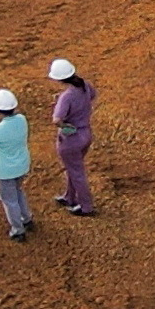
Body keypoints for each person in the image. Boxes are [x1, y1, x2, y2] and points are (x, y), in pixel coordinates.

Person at [0, 88, 33, 240]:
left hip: (4, 170)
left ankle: (18, 229)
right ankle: (27, 218)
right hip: (22, 165)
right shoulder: (22, 119)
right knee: (18, 191)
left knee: (9, 200)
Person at [50, 58, 97, 216]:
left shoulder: (66, 96)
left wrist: (65, 127)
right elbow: (93, 96)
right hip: (86, 134)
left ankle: (86, 206)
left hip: (71, 140)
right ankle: (69, 196)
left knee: (76, 172)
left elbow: (57, 120)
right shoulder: (85, 85)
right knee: (74, 168)